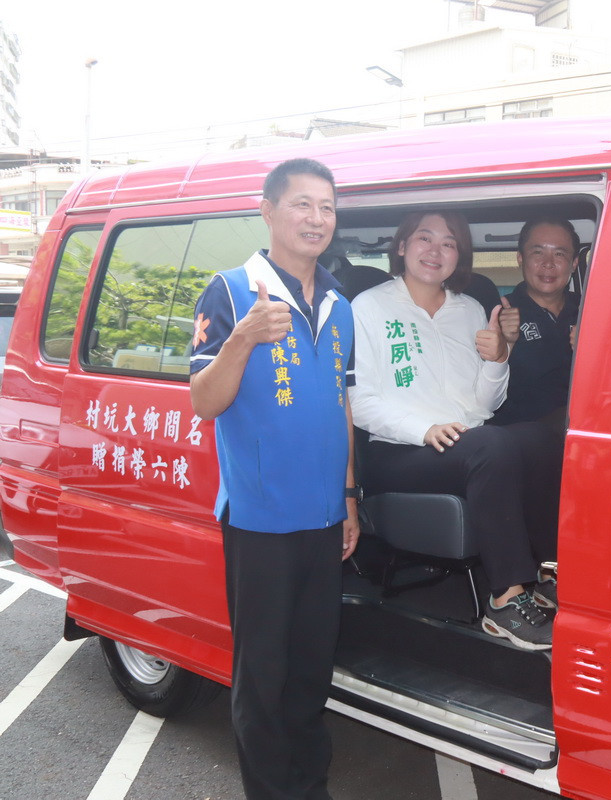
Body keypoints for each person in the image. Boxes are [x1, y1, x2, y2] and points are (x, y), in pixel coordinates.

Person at [189, 157, 358, 800]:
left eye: (327, 208)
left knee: (311, 674)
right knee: (262, 678)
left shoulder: (340, 304)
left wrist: (348, 497)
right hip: (260, 521)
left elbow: (342, 406)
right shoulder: (232, 291)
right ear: (268, 210)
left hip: (322, 518)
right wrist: (242, 340)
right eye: (302, 204)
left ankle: (308, 789)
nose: (316, 219)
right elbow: (204, 401)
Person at [349, 210, 558, 650]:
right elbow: (359, 401)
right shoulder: (368, 307)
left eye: (448, 243)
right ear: (402, 247)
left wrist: (499, 359)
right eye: (424, 238)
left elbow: (485, 405)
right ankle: (504, 600)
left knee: (542, 438)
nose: (435, 251)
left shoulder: (470, 310)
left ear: (458, 256)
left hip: (466, 441)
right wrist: (424, 429)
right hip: (399, 451)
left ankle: (543, 574)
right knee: (491, 444)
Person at [490, 217, 581, 427]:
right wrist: (504, 347)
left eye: (559, 253)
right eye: (537, 252)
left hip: (579, 435)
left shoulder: (592, 312)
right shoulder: (496, 314)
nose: (548, 263)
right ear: (520, 258)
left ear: (574, 263)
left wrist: (592, 355)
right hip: (516, 437)